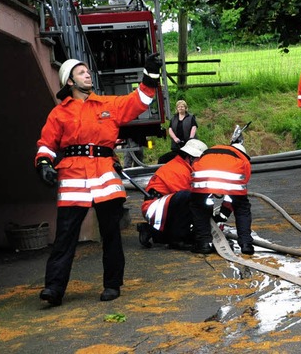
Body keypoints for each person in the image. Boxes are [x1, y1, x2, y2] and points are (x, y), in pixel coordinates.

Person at [35, 53, 162, 306]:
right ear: (69, 81)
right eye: (81, 73)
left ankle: (112, 284)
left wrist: (150, 75)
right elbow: (46, 145)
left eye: (87, 72)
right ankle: (54, 288)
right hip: (72, 178)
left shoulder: (107, 104)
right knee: (65, 237)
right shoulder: (58, 114)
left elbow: (139, 101)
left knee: (111, 233)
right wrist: (44, 164)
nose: (87, 75)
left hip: (104, 174)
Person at [189, 128, 255, 255]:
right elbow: (235, 195)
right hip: (231, 174)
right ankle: (246, 244)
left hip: (202, 173)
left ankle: (204, 243)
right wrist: (225, 212)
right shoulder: (243, 160)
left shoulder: (216, 149)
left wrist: (220, 215)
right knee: (242, 207)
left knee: (198, 205)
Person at [138, 139, 208, 250]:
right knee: (188, 197)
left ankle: (151, 231)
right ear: (191, 157)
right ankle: (178, 239)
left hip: (159, 206)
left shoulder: (182, 166)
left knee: (188, 200)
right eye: (200, 160)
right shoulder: (179, 170)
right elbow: (190, 202)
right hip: (154, 208)